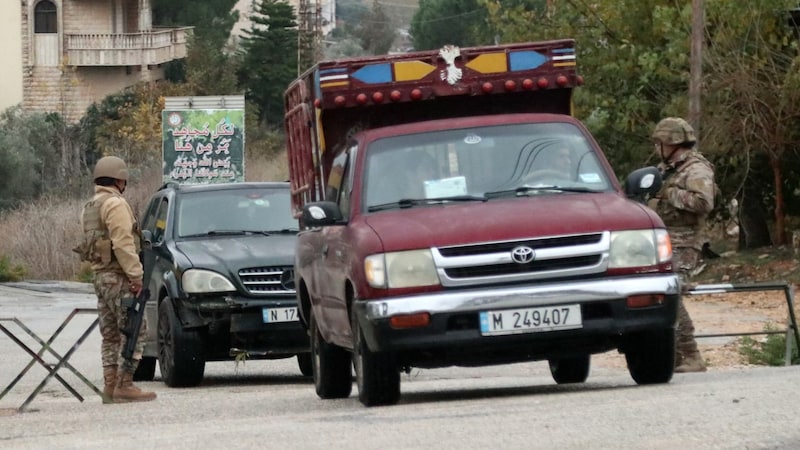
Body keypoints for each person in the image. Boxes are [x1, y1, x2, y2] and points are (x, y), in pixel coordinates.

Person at [78, 156, 157, 403]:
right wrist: (136, 276)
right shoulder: (115, 204)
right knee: (136, 327)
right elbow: (123, 243)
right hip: (118, 276)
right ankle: (125, 384)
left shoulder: (90, 205)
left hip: (100, 276)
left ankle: (110, 387)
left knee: (110, 333)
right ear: (119, 179)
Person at [647, 117, 716, 373]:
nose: (657, 149)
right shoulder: (667, 169)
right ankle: (673, 356)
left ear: (671, 143)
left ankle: (691, 354)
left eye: (659, 143)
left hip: (686, 241)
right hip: (663, 240)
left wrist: (668, 193)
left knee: (671, 292)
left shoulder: (696, 169)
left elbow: (703, 202)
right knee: (658, 292)